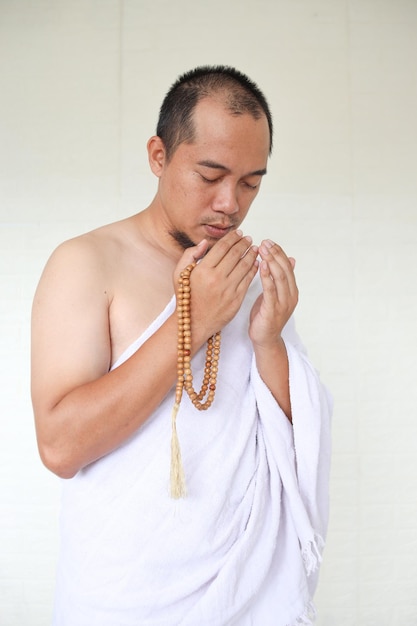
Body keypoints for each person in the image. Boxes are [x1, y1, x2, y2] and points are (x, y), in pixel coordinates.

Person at [31, 65, 332, 626]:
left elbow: (293, 452)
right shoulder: (87, 263)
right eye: (211, 175)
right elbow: (60, 447)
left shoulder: (243, 270)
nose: (230, 204)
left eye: (251, 182)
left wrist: (268, 340)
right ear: (158, 155)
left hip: (243, 597)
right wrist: (192, 321)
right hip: (125, 595)